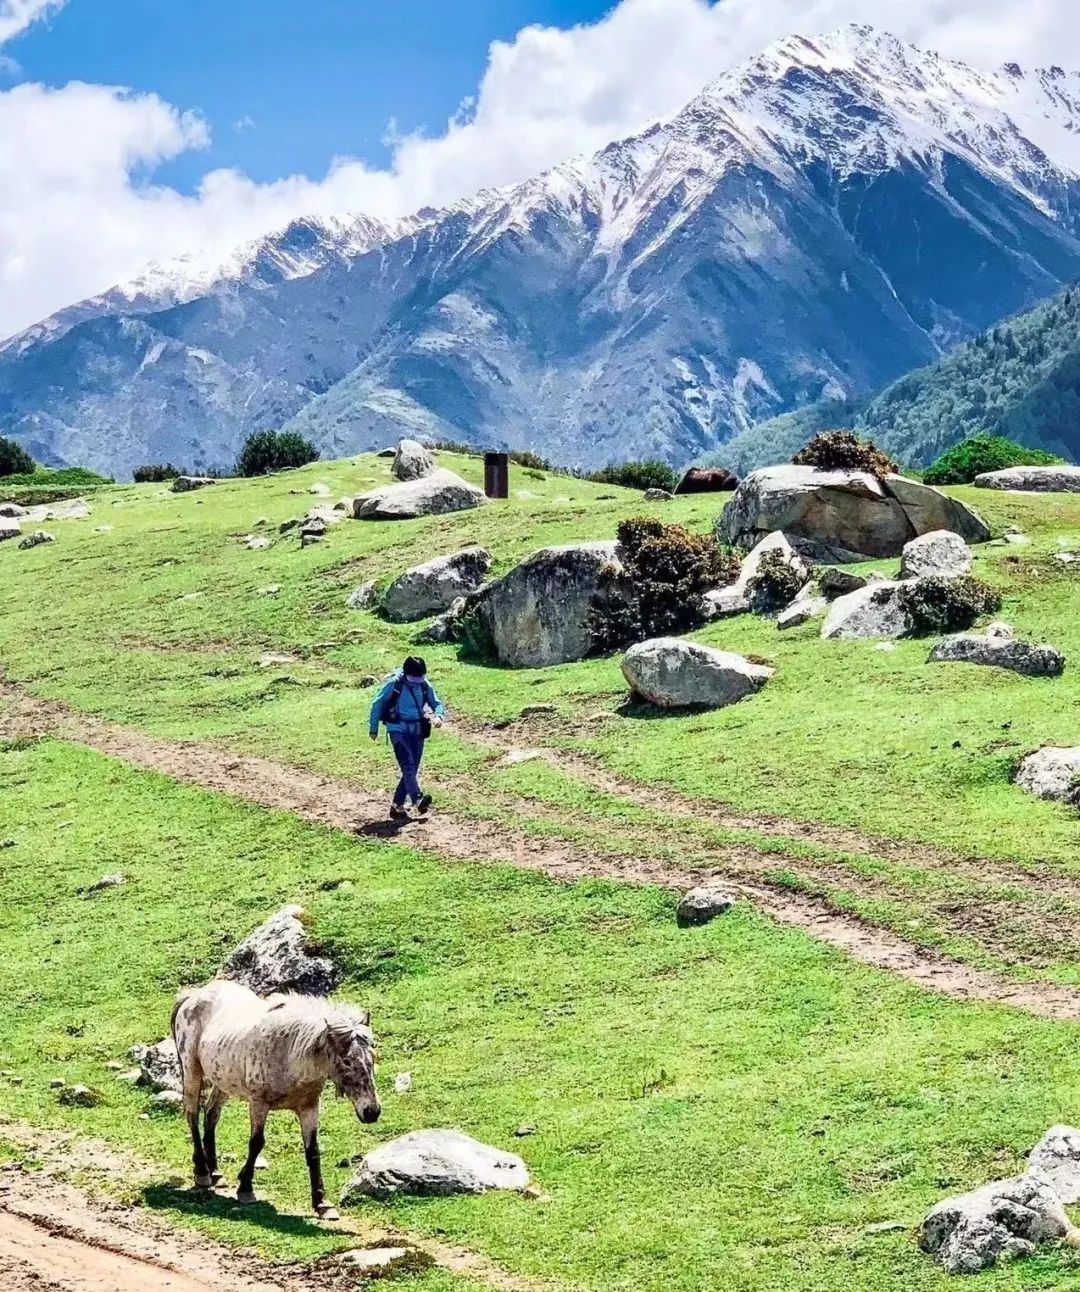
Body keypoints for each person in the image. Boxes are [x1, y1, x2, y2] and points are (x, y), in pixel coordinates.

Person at [369, 656, 445, 820]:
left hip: (417, 730)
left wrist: (438, 715)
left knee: (412, 767)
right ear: (405, 673)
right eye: (413, 678)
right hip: (397, 729)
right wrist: (373, 728)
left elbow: (436, 703)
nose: (416, 682)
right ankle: (417, 799)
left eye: (420, 678)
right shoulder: (393, 684)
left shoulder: (424, 684)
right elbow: (377, 704)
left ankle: (397, 805)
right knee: (407, 764)